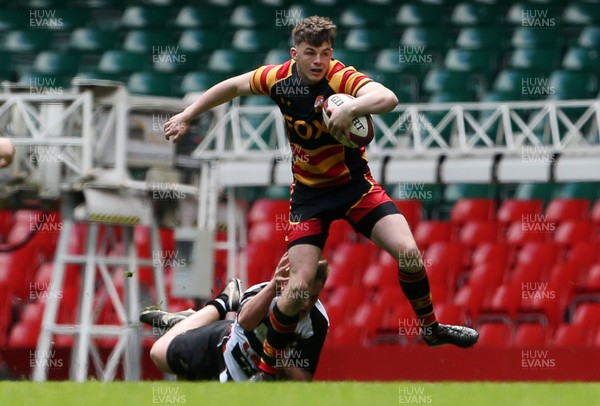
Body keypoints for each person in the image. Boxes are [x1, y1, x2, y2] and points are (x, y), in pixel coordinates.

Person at [164, 16, 479, 381]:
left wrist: (352, 108)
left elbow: (388, 97)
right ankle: (267, 371)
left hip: (355, 187)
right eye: (311, 53)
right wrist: (188, 115)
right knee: (297, 288)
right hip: (309, 197)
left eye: (326, 53)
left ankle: (431, 328)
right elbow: (233, 87)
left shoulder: (341, 78)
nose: (319, 61)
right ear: (294, 53)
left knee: (409, 253)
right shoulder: (276, 78)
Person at [140, 252, 329, 382]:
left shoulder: (317, 322)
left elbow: (303, 380)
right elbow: (246, 322)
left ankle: (189, 323)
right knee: (158, 354)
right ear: (289, 284)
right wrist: (272, 287)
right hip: (221, 347)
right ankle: (223, 302)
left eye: (314, 297)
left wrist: (276, 357)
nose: (306, 303)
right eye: (303, 295)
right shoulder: (265, 291)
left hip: (248, 379)